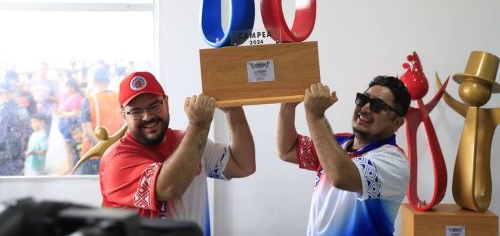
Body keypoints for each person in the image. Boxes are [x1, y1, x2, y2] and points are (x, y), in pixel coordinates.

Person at [100, 71, 255, 235]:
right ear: (124, 114)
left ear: (166, 103)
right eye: (135, 111)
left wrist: (234, 111)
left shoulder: (188, 140)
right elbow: (169, 188)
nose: (147, 117)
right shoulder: (115, 160)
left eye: (154, 106)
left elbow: (243, 166)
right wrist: (198, 125)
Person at [277, 76, 410, 236]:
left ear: (397, 123)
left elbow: (341, 177)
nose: (365, 108)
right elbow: (287, 150)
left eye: (378, 105)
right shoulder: (336, 143)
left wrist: (316, 116)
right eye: (363, 99)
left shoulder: (393, 161)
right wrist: (287, 104)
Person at [80, 65, 123, 174]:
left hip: (93, 153)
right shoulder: (120, 98)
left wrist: (103, 149)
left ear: (93, 81)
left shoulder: (89, 100)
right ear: (108, 80)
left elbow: (88, 131)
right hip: (115, 153)